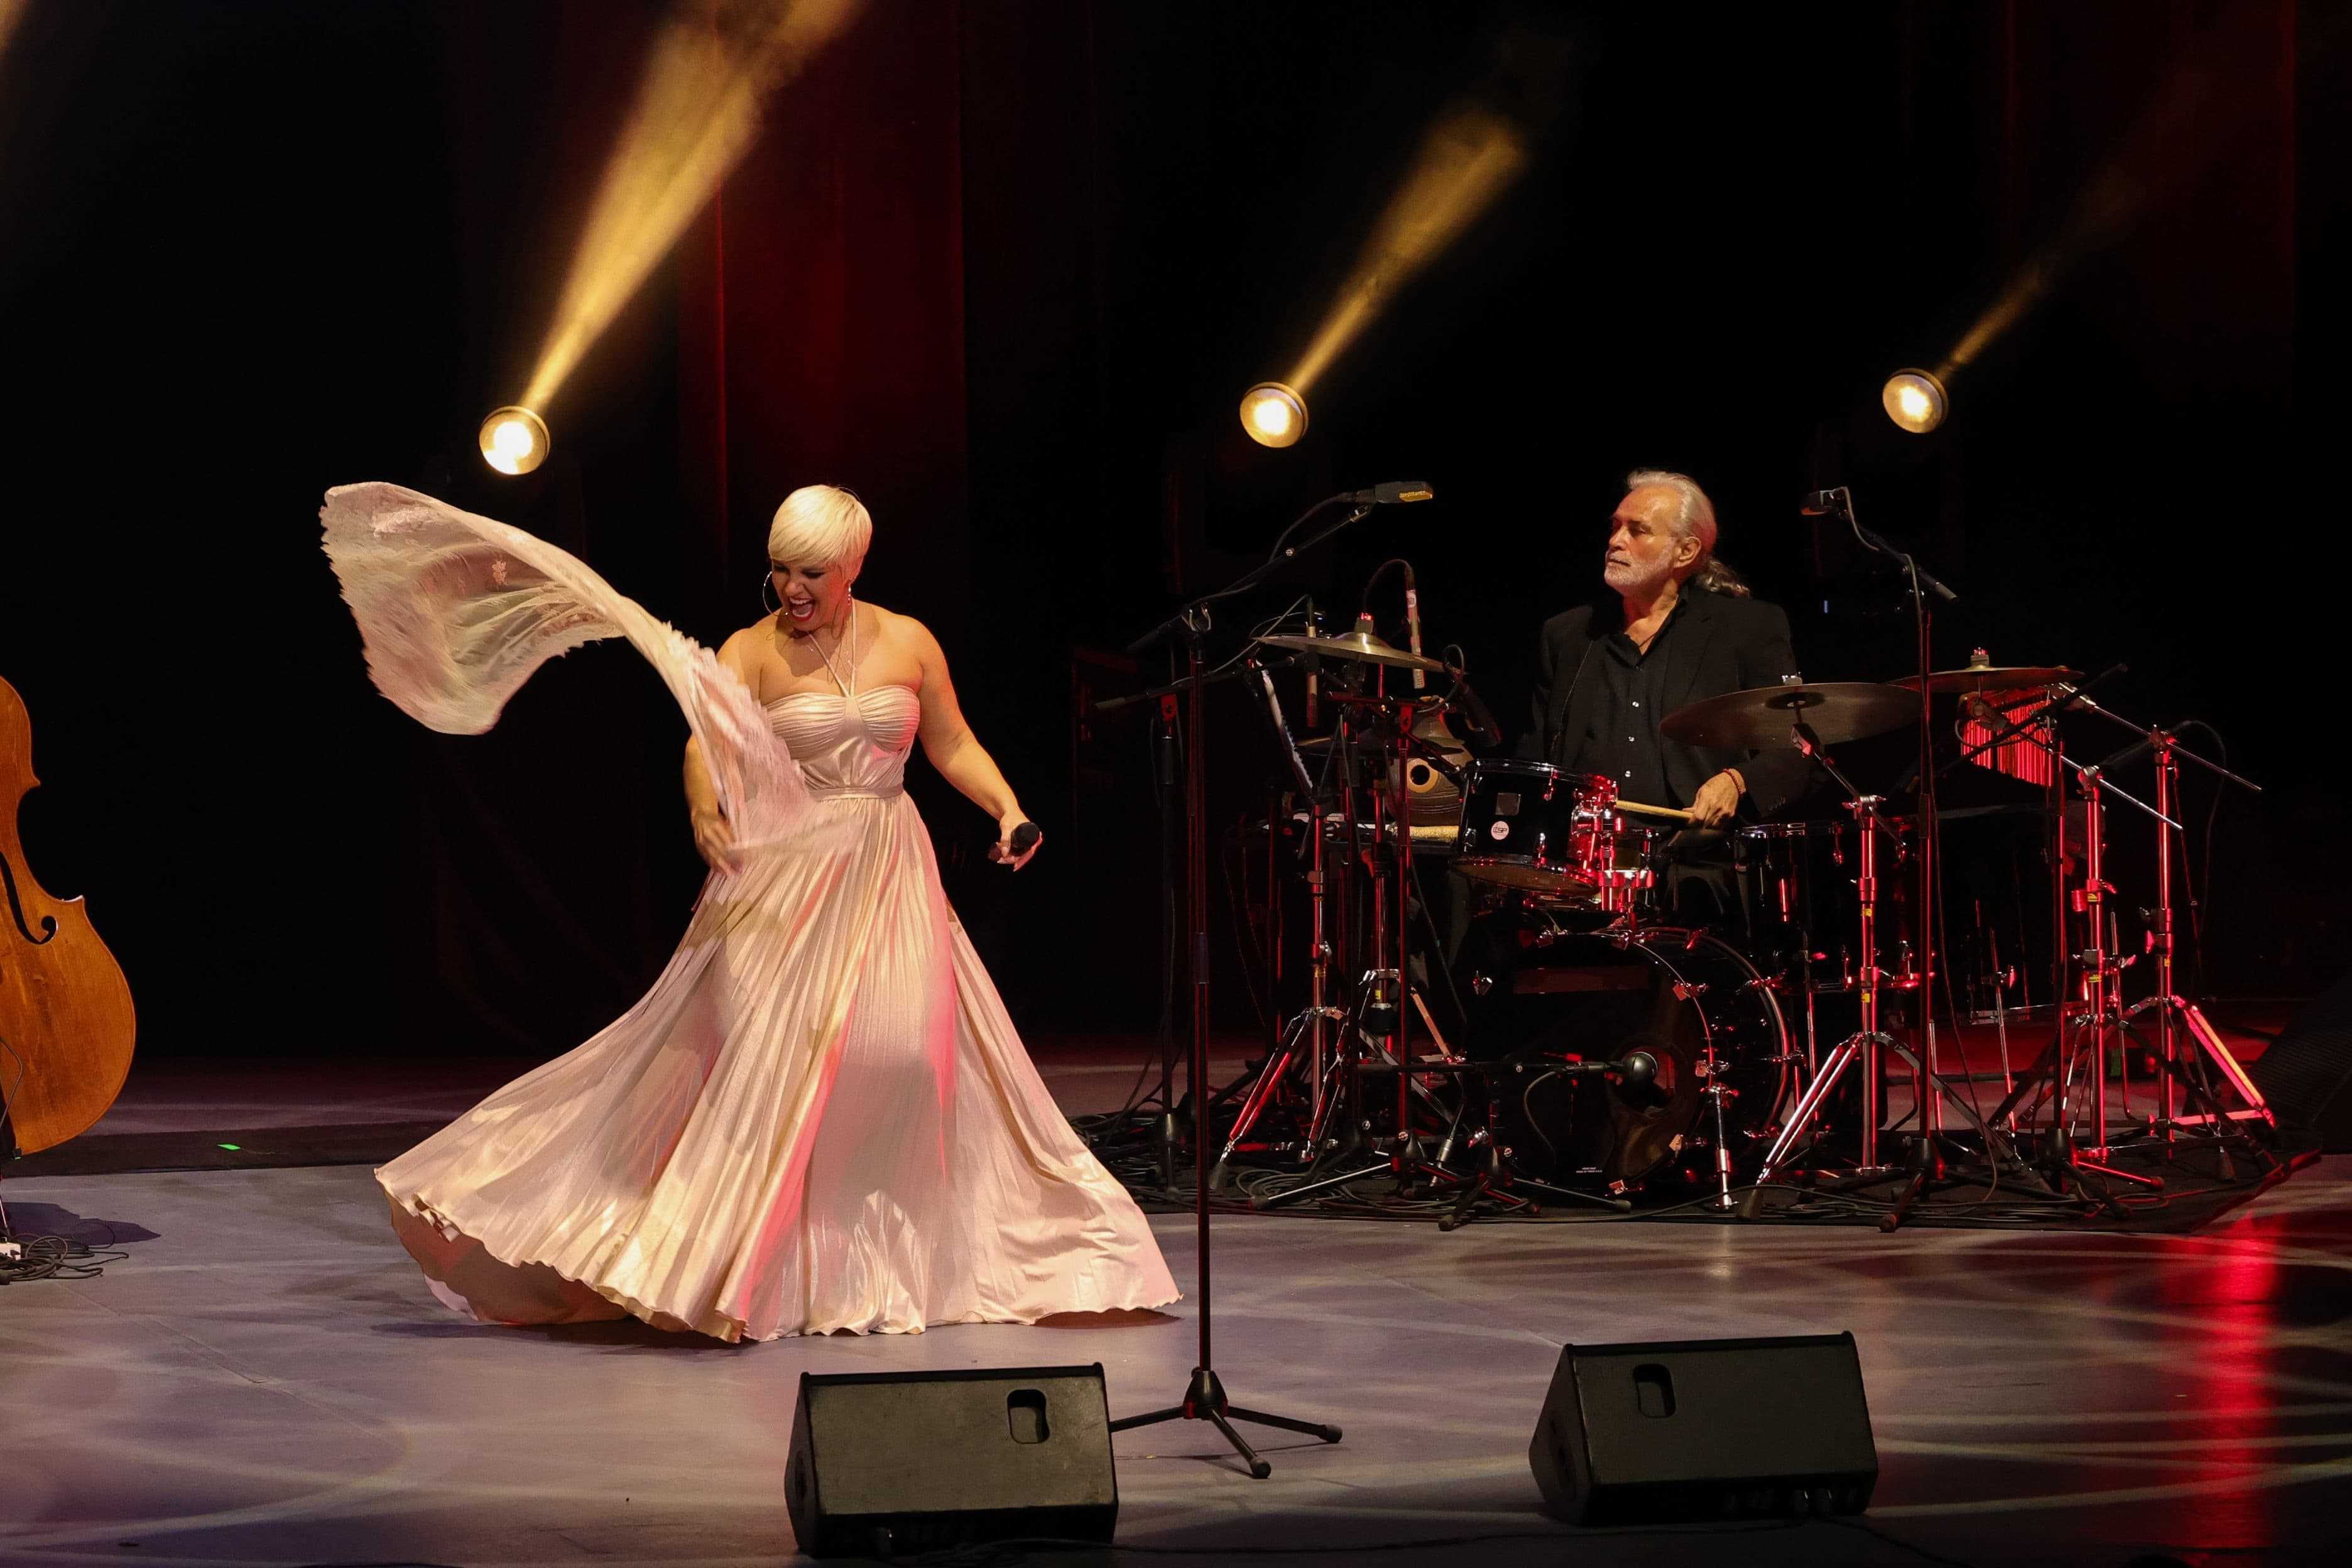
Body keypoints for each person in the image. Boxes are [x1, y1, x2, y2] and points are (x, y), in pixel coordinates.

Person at [324, 480, 1177, 1342]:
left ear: (852, 567)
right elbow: (707, 738)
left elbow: (949, 740)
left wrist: (1008, 808)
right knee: (771, 1068)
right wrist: (705, 803)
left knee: (903, 1056)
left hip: (887, 868)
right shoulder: (751, 650)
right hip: (784, 879)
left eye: (810, 571)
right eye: (779, 570)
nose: (791, 589)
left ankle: (872, 1259)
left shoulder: (910, 640)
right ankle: (754, 1261)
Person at [1523, 469, 1809, 825]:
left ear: (1685, 551)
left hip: (1698, 857)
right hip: (1587, 860)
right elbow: (1535, 757)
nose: (1615, 541)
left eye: (1637, 530)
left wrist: (1737, 781)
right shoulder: (1568, 634)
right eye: (1615, 526)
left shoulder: (1747, 628)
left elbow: (1800, 745)